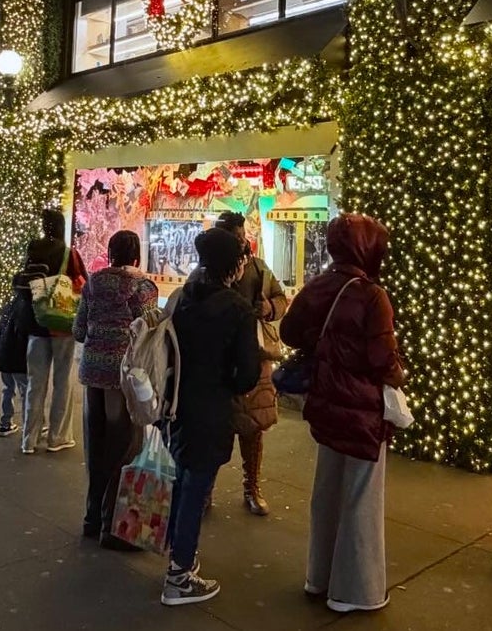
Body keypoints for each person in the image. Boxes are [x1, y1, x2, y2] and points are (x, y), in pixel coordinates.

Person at [280, 213, 404, 614]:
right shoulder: (372, 295)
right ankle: (354, 590)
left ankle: (318, 576)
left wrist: (323, 345)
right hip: (362, 408)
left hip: (326, 402)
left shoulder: (319, 285)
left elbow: (288, 332)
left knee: (327, 490)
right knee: (361, 497)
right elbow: (383, 357)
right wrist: (399, 375)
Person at [161, 227, 261, 606]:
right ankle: (179, 576)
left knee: (181, 479)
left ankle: (178, 554)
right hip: (212, 408)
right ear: (232, 265)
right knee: (195, 488)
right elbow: (247, 373)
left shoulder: (182, 298)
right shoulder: (238, 309)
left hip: (176, 405)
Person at [73, 230, 158, 549]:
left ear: (110, 254)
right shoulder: (143, 287)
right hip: (123, 375)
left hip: (91, 372)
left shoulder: (93, 283)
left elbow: (79, 330)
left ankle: (91, 518)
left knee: (96, 447)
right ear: (136, 255)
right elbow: (149, 334)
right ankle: (113, 525)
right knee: (123, 447)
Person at [213, 211, 287, 515]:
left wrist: (269, 307)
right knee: (214, 430)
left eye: (242, 236)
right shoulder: (210, 272)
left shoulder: (259, 269)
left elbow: (280, 299)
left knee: (253, 429)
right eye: (235, 237)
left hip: (254, 358)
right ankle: (205, 489)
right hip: (218, 361)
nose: (241, 242)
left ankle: (252, 487)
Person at [21, 209, 88, 454]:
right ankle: (57, 437)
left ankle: (29, 439)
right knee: (62, 381)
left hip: (35, 322)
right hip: (61, 325)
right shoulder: (68, 253)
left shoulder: (32, 250)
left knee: (35, 383)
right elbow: (83, 283)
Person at [0, 280, 30, 437]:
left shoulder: (8, 306)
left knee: (7, 388)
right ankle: (30, 424)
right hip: (18, 357)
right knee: (26, 391)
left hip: (3, 354)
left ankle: (5, 423)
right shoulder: (27, 308)